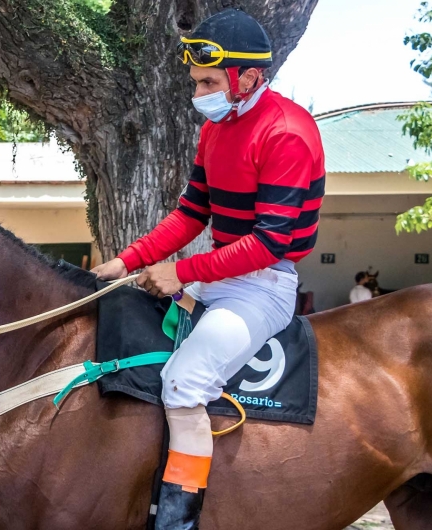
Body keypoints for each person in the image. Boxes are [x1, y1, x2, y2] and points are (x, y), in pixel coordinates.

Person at [92, 8, 325, 529]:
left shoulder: (287, 131)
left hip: (262, 287)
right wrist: (127, 260)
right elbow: (190, 214)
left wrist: (182, 271)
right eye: (196, 81)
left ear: (249, 78)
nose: (198, 94)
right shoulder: (216, 131)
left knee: (184, 380)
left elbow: (269, 243)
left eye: (209, 81)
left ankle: (178, 521)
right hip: (217, 277)